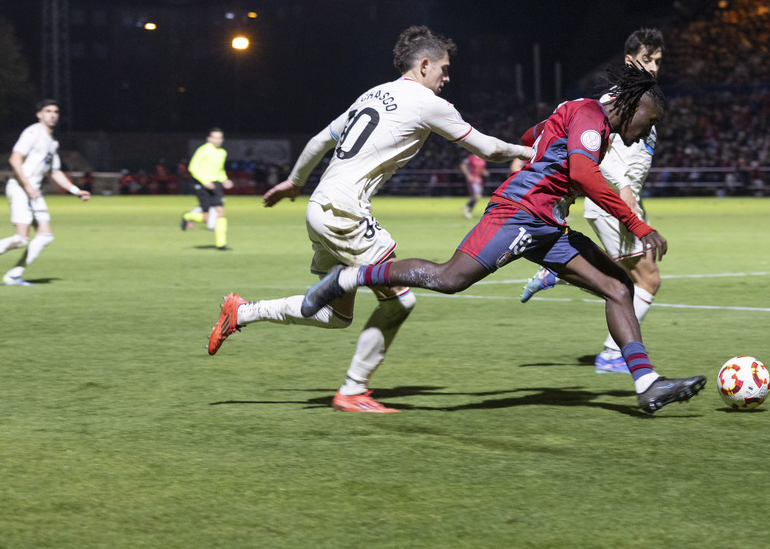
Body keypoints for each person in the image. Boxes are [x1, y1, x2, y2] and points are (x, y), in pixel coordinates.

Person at [298, 63, 707, 414]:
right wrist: (638, 224)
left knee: (618, 287)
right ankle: (346, 279)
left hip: (548, 224)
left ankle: (647, 384)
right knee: (449, 279)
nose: (646, 131)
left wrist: (546, 146)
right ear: (634, 106)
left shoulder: (578, 114)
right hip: (521, 214)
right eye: (650, 121)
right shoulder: (590, 115)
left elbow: (534, 135)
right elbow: (583, 173)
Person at [206, 26, 532, 413]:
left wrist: (294, 183)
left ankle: (241, 312)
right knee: (400, 303)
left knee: (335, 315)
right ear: (424, 65)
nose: (447, 77)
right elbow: (490, 149)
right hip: (345, 212)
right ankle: (352, 391)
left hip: (320, 208)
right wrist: (535, 151)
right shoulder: (428, 103)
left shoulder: (372, 94)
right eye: (444, 69)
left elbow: (318, 141)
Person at [520, 28, 666, 375]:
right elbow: (593, 147)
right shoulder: (614, 102)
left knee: (625, 275)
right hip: (614, 201)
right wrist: (625, 190)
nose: (655, 67)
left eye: (659, 61)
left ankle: (557, 271)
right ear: (630, 61)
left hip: (619, 200)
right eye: (648, 60)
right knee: (647, 280)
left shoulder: (641, 99)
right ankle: (613, 353)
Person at [0, 100, 91, 286]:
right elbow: (14, 159)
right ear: (39, 114)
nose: (52, 115)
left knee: (45, 236)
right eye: (48, 111)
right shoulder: (33, 132)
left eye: (55, 111)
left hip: (34, 192)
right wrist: (27, 185)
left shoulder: (52, 142)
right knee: (21, 239)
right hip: (20, 188)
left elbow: (55, 172)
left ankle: (14, 275)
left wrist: (76, 190)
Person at [181, 128, 233, 250]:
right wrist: (205, 181)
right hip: (203, 185)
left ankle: (221, 244)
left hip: (216, 185)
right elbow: (193, 168)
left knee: (220, 213)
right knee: (207, 218)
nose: (217, 140)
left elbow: (220, 170)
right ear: (209, 139)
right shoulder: (203, 150)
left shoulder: (222, 153)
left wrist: (224, 180)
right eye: (214, 137)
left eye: (219, 138)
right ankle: (188, 216)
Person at [459, 153, 488, 218]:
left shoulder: (483, 158)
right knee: (477, 196)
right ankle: (468, 211)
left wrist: (484, 172)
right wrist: (468, 175)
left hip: (480, 180)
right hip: (473, 179)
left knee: (476, 197)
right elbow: (463, 165)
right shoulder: (471, 158)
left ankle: (466, 207)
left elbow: (482, 169)